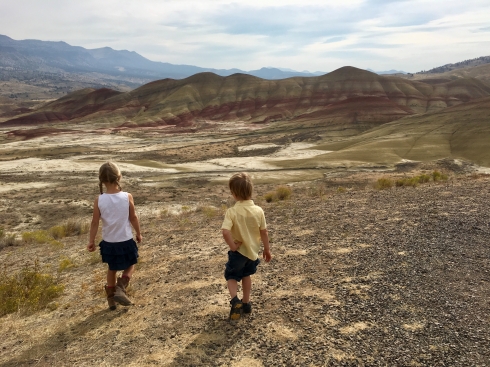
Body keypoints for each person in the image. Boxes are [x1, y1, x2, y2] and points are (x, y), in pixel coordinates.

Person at [87, 162, 142, 310]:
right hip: (125, 240)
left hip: (109, 242)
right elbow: (133, 217)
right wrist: (138, 233)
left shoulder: (99, 200)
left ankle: (111, 299)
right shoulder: (127, 196)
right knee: (131, 264)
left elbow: (94, 222)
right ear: (119, 177)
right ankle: (121, 288)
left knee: (112, 268)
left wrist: (91, 241)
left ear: (101, 180)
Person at [221, 172, 272, 320]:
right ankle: (246, 303)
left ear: (234, 194)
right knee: (246, 275)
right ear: (251, 191)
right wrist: (267, 249)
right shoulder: (258, 211)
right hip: (252, 252)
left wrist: (232, 246)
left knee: (231, 276)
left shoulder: (232, 212)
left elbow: (225, 232)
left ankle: (235, 300)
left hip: (238, 253)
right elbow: (264, 232)